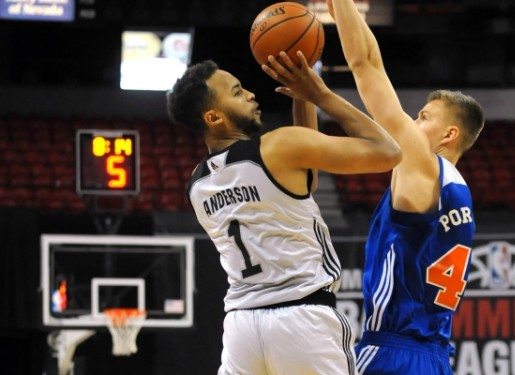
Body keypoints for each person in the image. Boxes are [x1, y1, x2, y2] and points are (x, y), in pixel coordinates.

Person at [166, 52, 401, 375]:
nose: (250, 94)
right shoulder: (278, 146)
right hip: (302, 318)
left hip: (241, 328)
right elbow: (388, 152)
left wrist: (302, 101)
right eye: (236, 92)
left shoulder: (197, 183)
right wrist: (319, 94)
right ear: (214, 117)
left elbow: (304, 179)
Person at [326, 0, 485, 374]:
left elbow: (367, 66)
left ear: (450, 134)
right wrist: (347, 14)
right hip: (435, 358)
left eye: (424, 117)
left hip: (391, 353)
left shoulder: (424, 165)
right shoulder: (457, 190)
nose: (413, 122)